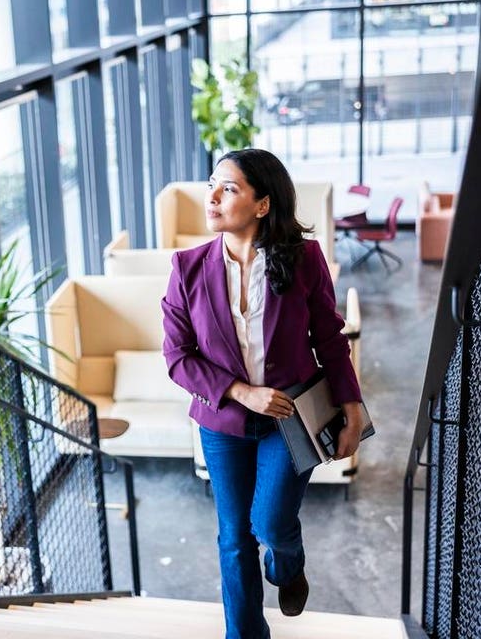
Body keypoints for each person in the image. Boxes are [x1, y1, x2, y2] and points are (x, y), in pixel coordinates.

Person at [161, 148, 365, 639]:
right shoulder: (187, 268)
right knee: (234, 539)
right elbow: (177, 356)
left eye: (228, 188)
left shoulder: (304, 260)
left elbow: (329, 338)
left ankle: (288, 566)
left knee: (272, 524)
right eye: (210, 185)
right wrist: (240, 392)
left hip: (291, 419)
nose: (212, 197)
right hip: (223, 424)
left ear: (262, 204)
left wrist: (352, 409)